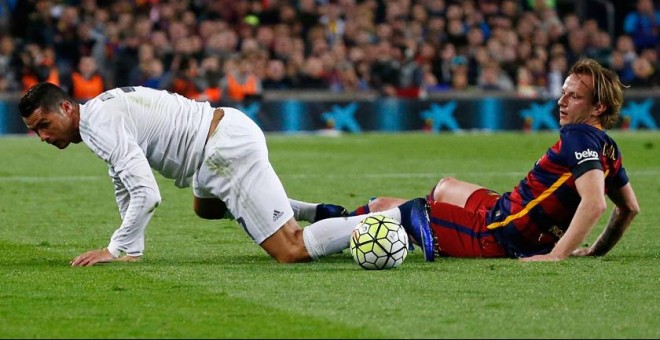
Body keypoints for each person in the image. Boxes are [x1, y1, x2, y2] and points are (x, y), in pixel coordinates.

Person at [18, 83, 431, 266]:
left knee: (289, 251)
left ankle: (399, 218)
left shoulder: (99, 124)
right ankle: (315, 212)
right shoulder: (97, 117)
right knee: (207, 209)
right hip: (216, 142)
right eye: (34, 131)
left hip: (220, 151)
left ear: (66, 108)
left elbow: (146, 193)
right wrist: (132, 249)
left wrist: (114, 247)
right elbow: (123, 183)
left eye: (43, 125)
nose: (41, 136)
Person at [350, 58, 640, 262]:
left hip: (497, 235)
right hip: (503, 209)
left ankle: (320, 229)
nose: (561, 102)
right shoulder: (608, 149)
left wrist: (557, 254)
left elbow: (595, 203)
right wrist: (595, 251)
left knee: (382, 208)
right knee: (445, 186)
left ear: (598, 107)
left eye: (573, 96)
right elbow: (629, 208)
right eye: (563, 92)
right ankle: (433, 230)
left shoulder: (579, 136)